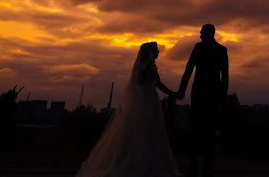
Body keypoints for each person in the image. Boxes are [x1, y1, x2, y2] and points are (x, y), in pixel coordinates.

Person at [76, 42, 181, 177]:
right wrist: (146, 96)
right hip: (144, 103)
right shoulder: (144, 67)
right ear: (150, 52)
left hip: (152, 103)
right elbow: (138, 84)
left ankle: (149, 164)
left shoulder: (152, 66)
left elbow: (158, 84)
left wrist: (172, 93)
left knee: (152, 134)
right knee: (141, 133)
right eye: (157, 50)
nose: (159, 52)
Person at [177, 24, 229, 177]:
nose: (199, 35)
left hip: (200, 94)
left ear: (208, 33)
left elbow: (188, 69)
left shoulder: (199, 48)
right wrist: (223, 96)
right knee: (209, 132)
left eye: (201, 32)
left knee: (197, 131)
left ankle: (196, 167)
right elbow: (224, 77)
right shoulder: (221, 50)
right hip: (212, 95)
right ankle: (206, 167)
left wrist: (182, 90)